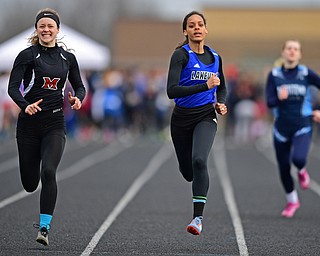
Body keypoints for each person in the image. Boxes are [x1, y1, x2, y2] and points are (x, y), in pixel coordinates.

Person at [7, 8, 86, 245]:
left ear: (58, 30)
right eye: (42, 26)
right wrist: (24, 104)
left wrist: (77, 99)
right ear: (37, 29)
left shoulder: (67, 58)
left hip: (54, 123)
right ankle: (39, 210)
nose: (46, 29)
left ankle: (44, 227)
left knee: (49, 171)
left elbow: (79, 86)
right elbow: (12, 87)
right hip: (29, 126)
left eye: (50, 26)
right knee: (30, 184)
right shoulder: (27, 55)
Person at [167, 11, 227, 235]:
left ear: (206, 29)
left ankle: (197, 219)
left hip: (205, 116)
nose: (197, 28)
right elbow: (171, 91)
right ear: (186, 31)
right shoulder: (180, 56)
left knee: (200, 160)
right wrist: (205, 86)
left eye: (200, 25)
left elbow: (221, 86)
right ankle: (189, 171)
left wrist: (220, 103)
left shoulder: (215, 57)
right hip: (181, 119)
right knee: (188, 172)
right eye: (191, 26)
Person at [265, 39, 320, 218]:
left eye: (295, 49)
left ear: (300, 54)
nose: (292, 51)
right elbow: (269, 101)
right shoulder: (274, 75)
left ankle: (302, 171)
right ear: (283, 52)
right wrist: (278, 98)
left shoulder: (305, 73)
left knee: (298, 159)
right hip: (281, 128)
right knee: (283, 167)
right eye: (289, 48)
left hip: (302, 125)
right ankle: (292, 201)